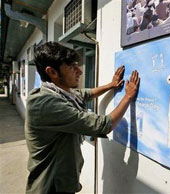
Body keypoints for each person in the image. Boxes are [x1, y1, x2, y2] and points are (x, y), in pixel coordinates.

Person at [25, 41, 140, 194]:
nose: (79, 71)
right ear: (52, 72)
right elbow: (103, 125)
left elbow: (85, 94)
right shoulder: (45, 103)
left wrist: (111, 85)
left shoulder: (59, 92)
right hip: (50, 186)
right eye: (72, 67)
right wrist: (128, 96)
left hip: (61, 181)